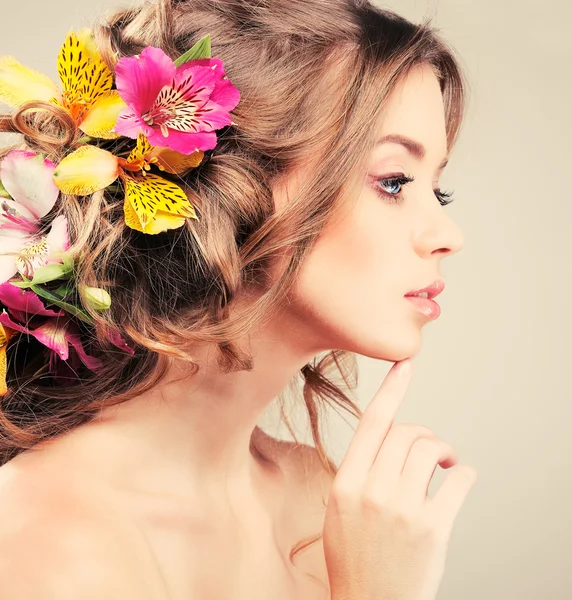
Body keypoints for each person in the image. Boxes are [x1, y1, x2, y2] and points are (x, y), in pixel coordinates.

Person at [0, 0, 477, 597]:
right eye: (393, 182)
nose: (447, 236)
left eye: (439, 190)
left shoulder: (320, 505)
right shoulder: (54, 538)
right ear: (232, 183)